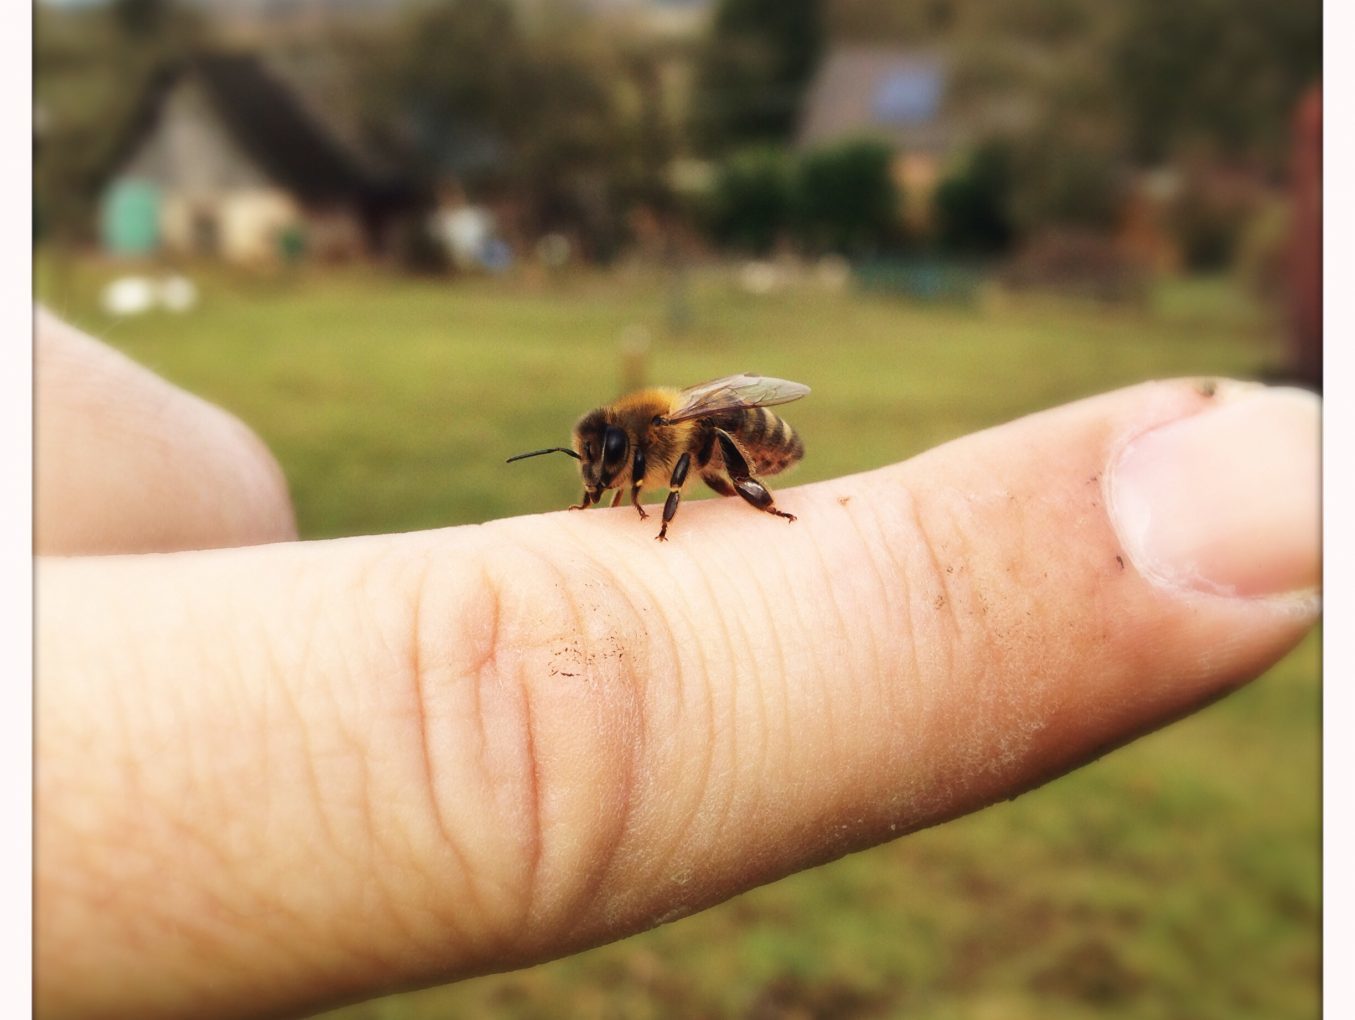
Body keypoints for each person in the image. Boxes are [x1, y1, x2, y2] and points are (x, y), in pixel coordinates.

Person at [34, 308, 1321, 1019]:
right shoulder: (628, 440)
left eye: (607, 465)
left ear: (632, 448)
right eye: (601, 469)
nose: (603, 476)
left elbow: (703, 435)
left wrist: (727, 498)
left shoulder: (684, 438)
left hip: (737, 452)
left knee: (713, 479)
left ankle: (756, 505)